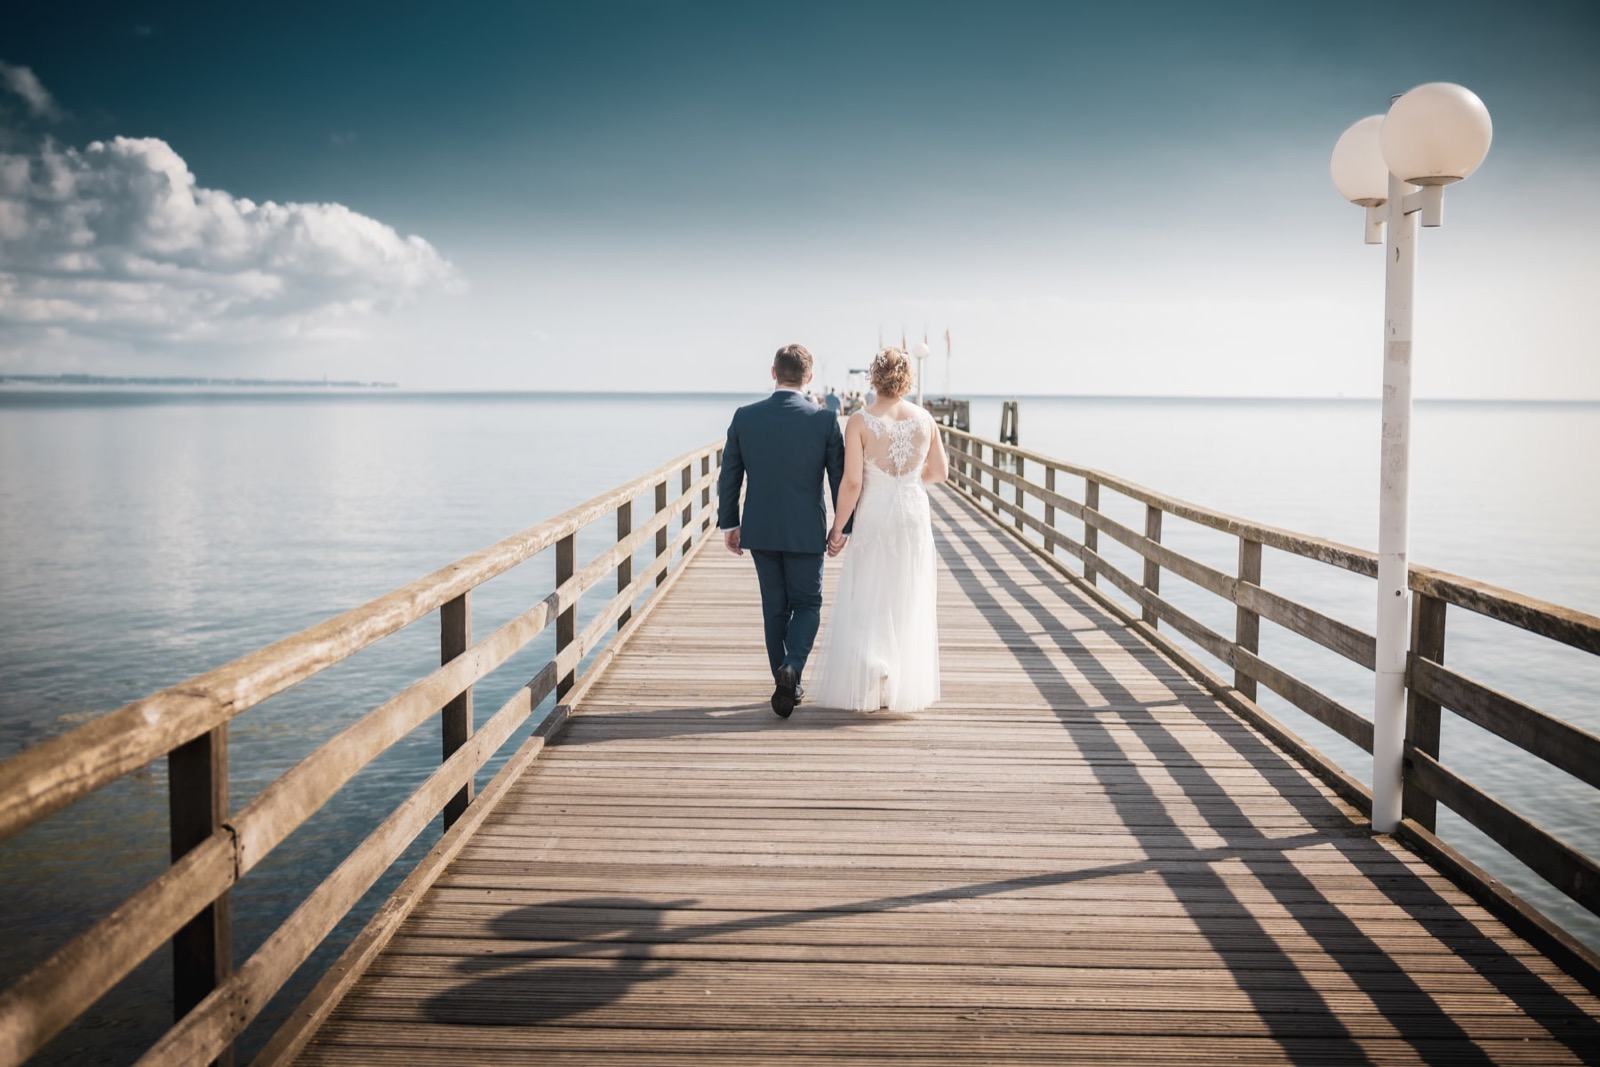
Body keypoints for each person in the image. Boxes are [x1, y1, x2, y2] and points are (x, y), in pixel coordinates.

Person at [809, 348, 949, 712]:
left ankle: (876, 664)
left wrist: (837, 529)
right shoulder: (925, 419)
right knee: (907, 590)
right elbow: (940, 473)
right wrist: (909, 482)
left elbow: (852, 483)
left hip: (875, 512)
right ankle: (898, 679)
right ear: (907, 379)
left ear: (874, 376)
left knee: (869, 590)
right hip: (913, 512)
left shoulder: (859, 421)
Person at [718, 344, 848, 718]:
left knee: (774, 608)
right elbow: (838, 477)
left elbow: (730, 474)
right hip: (806, 530)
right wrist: (843, 526)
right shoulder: (824, 421)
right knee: (807, 604)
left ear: (773, 373)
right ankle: (791, 668)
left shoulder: (745, 417)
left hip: (760, 528)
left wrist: (730, 522)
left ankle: (784, 679)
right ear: (809, 378)